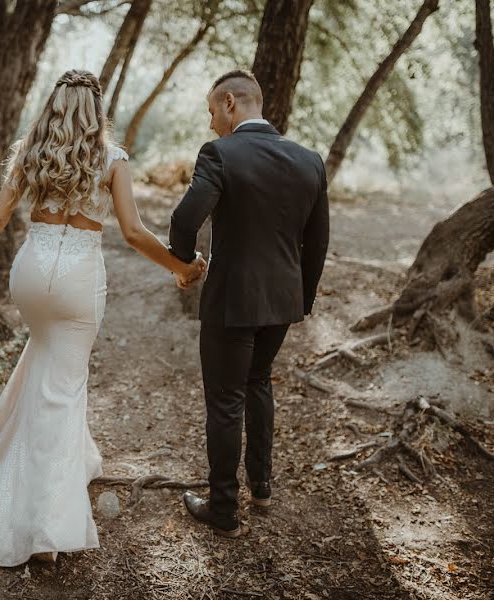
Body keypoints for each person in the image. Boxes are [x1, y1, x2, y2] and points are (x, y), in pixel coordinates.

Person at [0, 69, 206, 567]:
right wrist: (181, 268)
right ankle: (45, 531)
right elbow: (134, 232)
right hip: (79, 279)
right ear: (97, 112)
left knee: (43, 361)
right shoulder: (112, 160)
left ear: (54, 107)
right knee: (64, 390)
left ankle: (28, 461)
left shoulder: (32, 153)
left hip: (31, 276)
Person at [167, 69, 330, 538]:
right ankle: (261, 487)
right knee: (258, 382)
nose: (212, 124)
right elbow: (316, 243)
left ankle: (222, 511)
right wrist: (303, 299)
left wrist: (186, 264)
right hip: (282, 299)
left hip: (231, 299)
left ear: (231, 103)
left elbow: (183, 221)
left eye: (212, 112)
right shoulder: (309, 160)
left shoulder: (220, 153)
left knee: (225, 400)